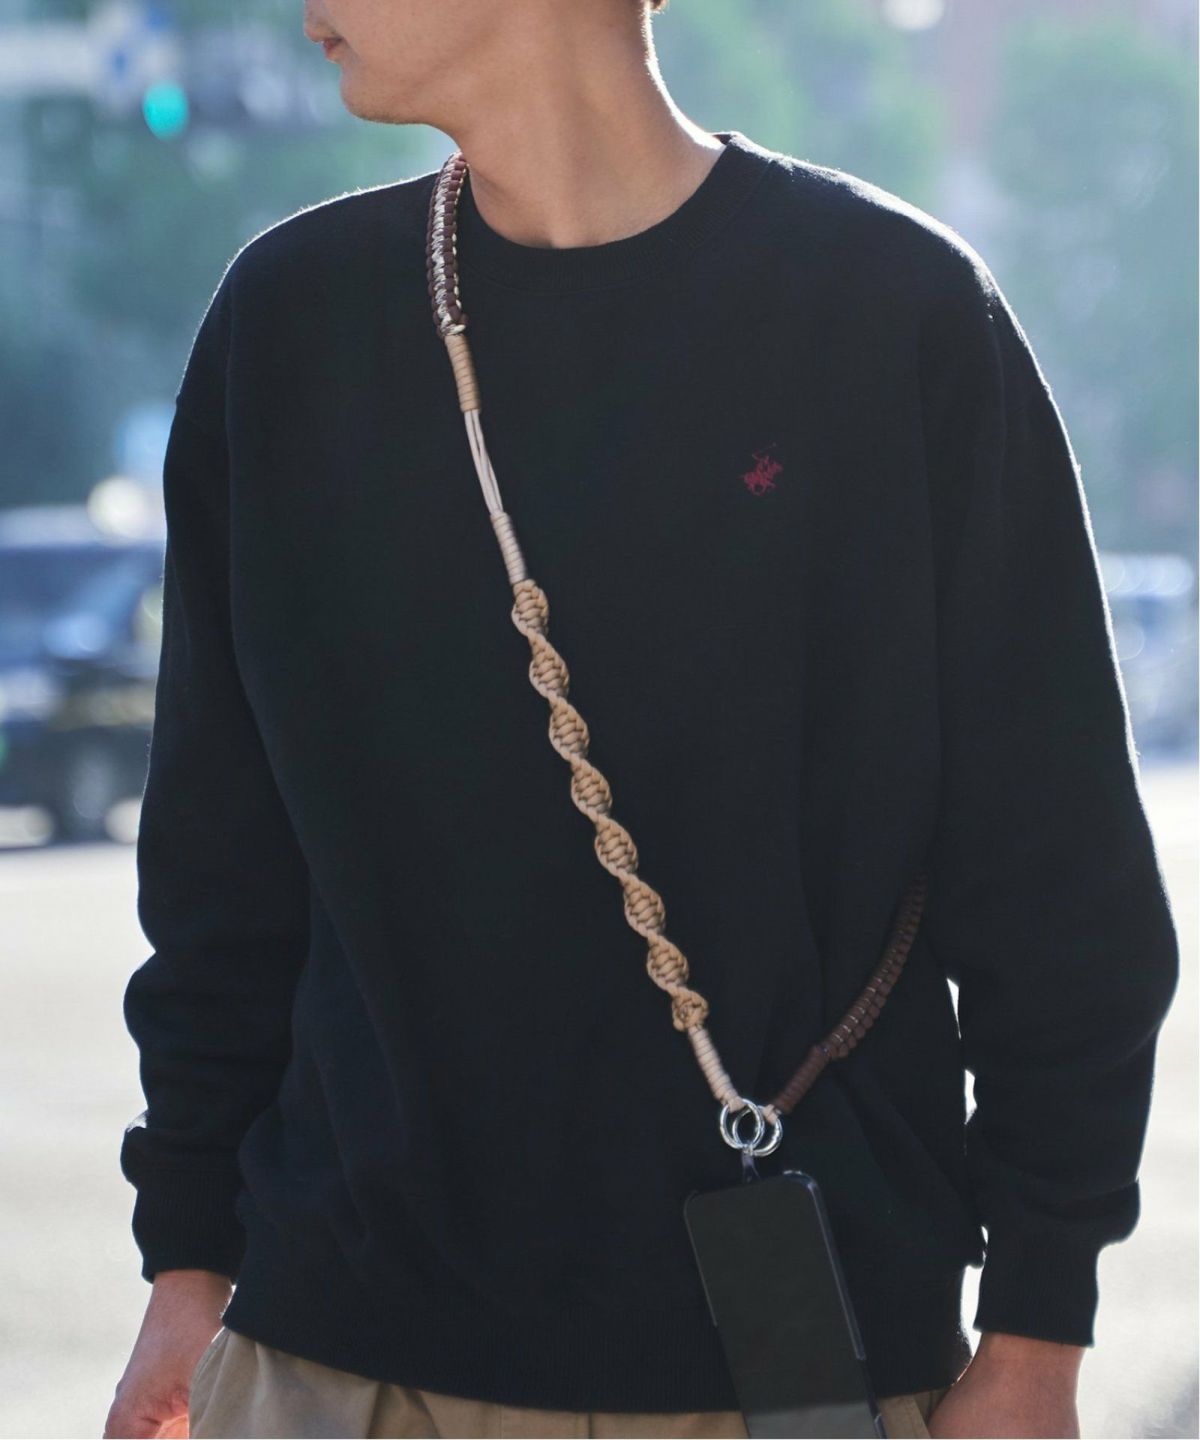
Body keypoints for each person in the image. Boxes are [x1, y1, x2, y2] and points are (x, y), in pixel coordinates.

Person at [103, 2, 1180, 1437]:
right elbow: (218, 865)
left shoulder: (889, 314)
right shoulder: (292, 325)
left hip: (789, 1370)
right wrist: (186, 1262)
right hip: (335, 1362)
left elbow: (1058, 879)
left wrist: (1040, 1332)